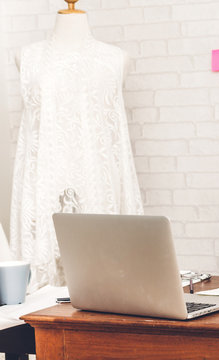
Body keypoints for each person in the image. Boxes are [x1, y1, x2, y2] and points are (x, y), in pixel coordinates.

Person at [10, 10, 143, 292]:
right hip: (44, 186)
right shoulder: (27, 56)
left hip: (98, 187)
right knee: (46, 294)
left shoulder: (115, 58)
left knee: (104, 284)